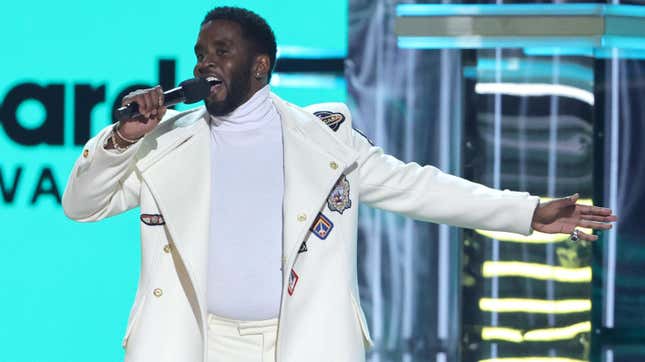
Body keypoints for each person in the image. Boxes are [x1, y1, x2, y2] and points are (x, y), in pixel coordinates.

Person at [62, 6, 617, 362]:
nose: (206, 63)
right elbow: (81, 206)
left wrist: (526, 212)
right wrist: (119, 139)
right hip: (192, 343)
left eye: (221, 52)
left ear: (260, 67)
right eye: (201, 54)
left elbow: (419, 187)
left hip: (300, 342)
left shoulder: (325, 138)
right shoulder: (164, 142)